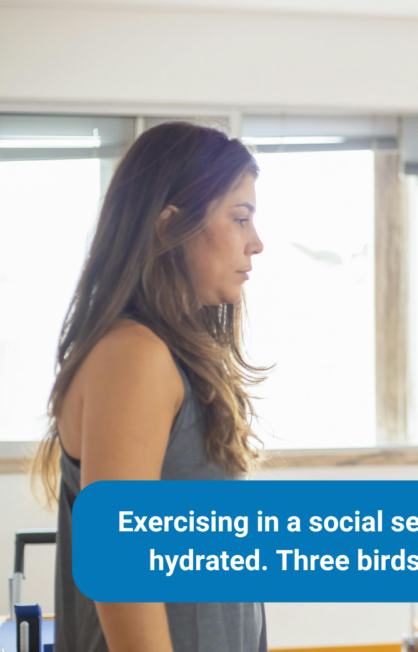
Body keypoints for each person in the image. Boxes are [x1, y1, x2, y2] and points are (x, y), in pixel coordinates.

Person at [31, 121, 268, 652]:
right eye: (239, 218)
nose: (256, 243)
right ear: (169, 226)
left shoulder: (168, 354)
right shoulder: (133, 355)